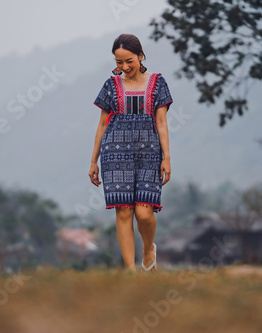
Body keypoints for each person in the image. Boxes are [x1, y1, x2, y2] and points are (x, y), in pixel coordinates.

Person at [89, 33, 173, 272]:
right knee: (124, 212)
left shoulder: (158, 83)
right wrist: (93, 161)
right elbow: (103, 124)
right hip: (115, 155)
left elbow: (162, 122)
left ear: (140, 56)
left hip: (149, 154)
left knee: (144, 213)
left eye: (129, 61)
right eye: (119, 62)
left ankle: (148, 250)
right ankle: (131, 272)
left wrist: (167, 157)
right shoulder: (110, 85)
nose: (124, 67)